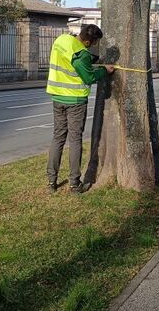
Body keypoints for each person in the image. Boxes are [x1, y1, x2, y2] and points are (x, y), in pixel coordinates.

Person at [46, 24, 114, 194]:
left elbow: (73, 58)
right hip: (75, 101)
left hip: (57, 97)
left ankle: (51, 182)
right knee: (75, 140)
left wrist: (94, 59)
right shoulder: (82, 54)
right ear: (88, 41)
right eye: (94, 43)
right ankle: (75, 184)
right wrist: (105, 71)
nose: (93, 46)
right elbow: (89, 77)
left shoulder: (62, 39)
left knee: (58, 138)